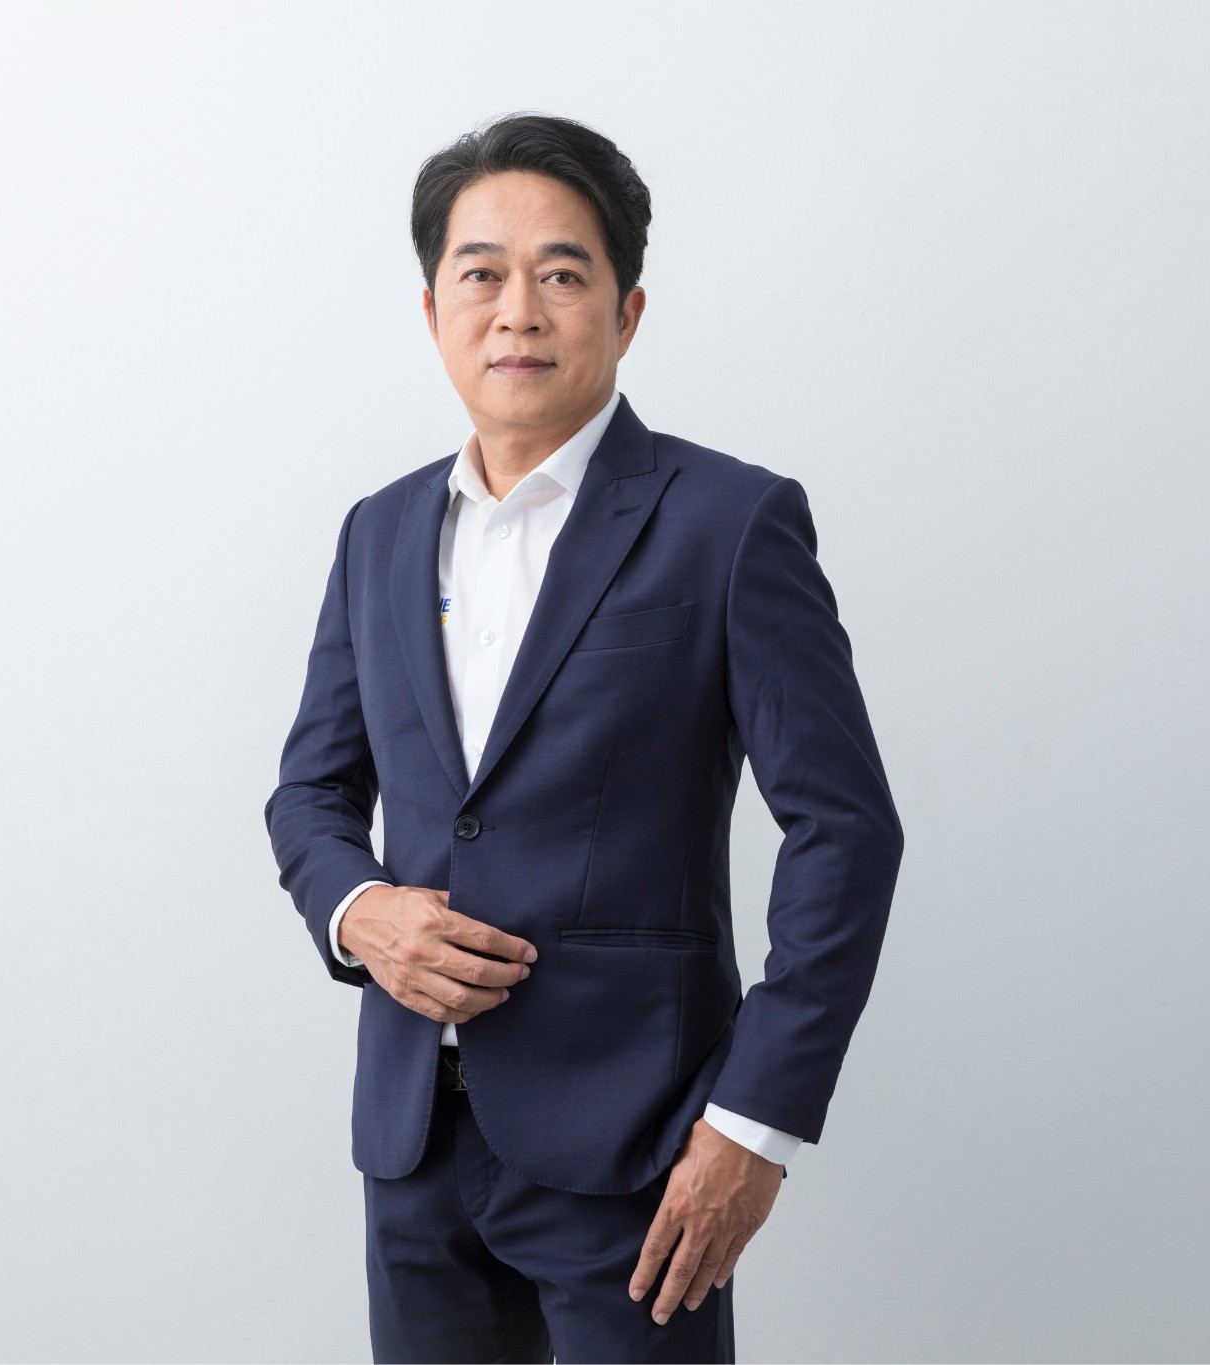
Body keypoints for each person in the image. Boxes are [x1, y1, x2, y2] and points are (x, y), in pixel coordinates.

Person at [264, 111, 904, 1364]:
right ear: (433, 309)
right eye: (481, 275)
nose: (517, 311)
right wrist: (358, 911)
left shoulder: (727, 523)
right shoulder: (376, 532)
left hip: (641, 1149)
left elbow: (845, 831)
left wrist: (752, 1126)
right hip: (410, 1141)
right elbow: (310, 794)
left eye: (561, 274)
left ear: (627, 311)